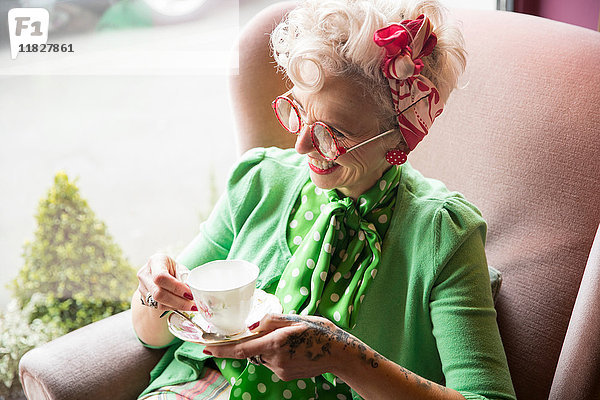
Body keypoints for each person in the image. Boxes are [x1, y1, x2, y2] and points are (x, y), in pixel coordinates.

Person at [131, 0, 516, 399]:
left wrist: (343, 357)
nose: (300, 146)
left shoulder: (442, 235)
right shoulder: (260, 182)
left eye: (333, 132)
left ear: (399, 139)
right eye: (298, 112)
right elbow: (151, 336)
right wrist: (154, 293)